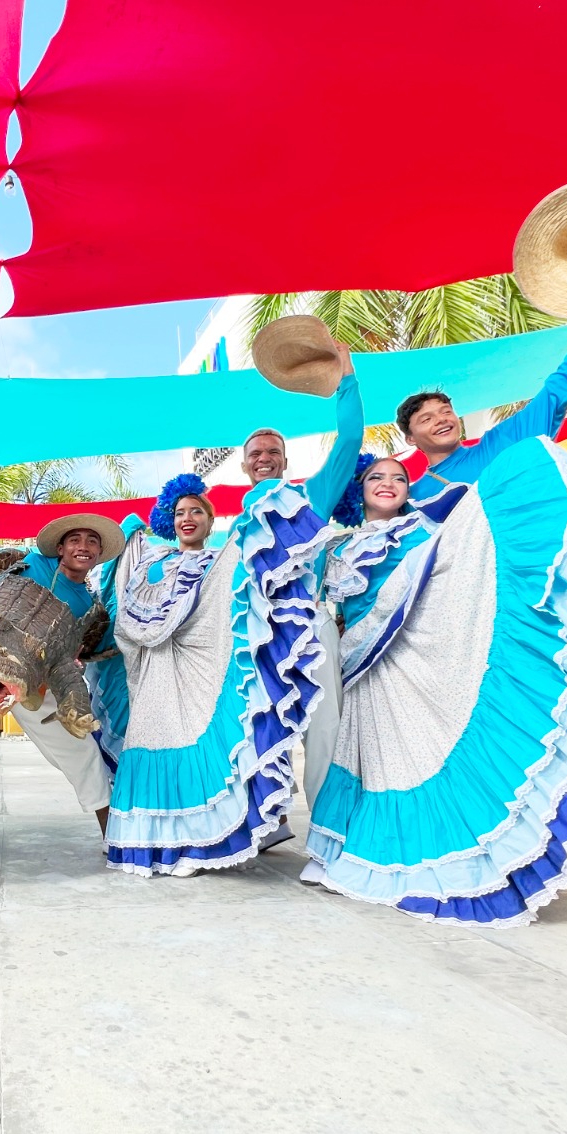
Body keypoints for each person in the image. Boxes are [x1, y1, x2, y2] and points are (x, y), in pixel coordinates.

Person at [308, 443, 567, 931]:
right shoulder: (334, 549)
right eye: (376, 477)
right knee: (376, 768)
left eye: (399, 476)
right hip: (373, 675)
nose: (389, 483)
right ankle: (345, 852)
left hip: (442, 656)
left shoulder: (433, 529)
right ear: (359, 491)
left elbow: (469, 566)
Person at [103, 473, 326, 876]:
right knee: (149, 737)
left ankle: (194, 846)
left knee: (200, 737)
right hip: (155, 670)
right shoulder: (152, 561)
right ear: (169, 521)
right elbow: (129, 608)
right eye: (179, 512)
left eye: (196, 512)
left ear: (210, 519)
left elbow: (230, 603)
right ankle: (150, 845)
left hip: (201, 668)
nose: (187, 518)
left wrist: (256, 520)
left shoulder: (220, 561)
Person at [240, 345, 363, 876]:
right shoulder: (236, 525)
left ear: (285, 461)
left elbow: (352, 439)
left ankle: (328, 845)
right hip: (255, 641)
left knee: (320, 734)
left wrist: (347, 380)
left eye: (272, 450)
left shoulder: (311, 497)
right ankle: (265, 827)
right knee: (259, 733)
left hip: (309, 630)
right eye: (255, 452)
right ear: (245, 466)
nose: (264, 456)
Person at [0, 514, 123, 838]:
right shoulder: (29, 562)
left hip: (38, 685)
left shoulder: (89, 605)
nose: (83, 546)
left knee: (82, 753)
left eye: (92, 541)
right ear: (60, 548)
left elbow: (80, 655)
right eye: (75, 539)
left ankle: (114, 836)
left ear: (98, 553)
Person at [398, 310, 567, 500]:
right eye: (426, 419)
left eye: (446, 412)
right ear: (410, 438)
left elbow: (560, 388)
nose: (441, 420)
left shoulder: (503, 441)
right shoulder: (412, 497)